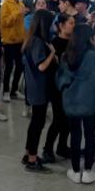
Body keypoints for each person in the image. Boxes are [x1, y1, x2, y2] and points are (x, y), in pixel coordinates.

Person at [57, 24, 95, 184]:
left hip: (72, 102)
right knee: (90, 136)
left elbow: (60, 79)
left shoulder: (66, 55)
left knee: (75, 135)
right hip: (90, 102)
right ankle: (88, 171)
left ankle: (75, 170)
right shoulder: (94, 56)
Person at [22, 10, 57, 173]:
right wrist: (52, 54)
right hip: (39, 88)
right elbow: (41, 66)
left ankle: (29, 153)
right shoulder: (37, 42)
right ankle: (32, 160)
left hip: (35, 86)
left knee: (35, 122)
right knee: (38, 123)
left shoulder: (32, 39)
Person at [40, 13, 74, 163]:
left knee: (67, 119)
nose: (73, 25)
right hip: (57, 87)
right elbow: (49, 69)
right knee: (58, 119)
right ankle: (47, 149)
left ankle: (62, 146)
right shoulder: (53, 44)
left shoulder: (74, 43)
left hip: (71, 87)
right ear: (61, 25)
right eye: (70, 23)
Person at [0, 0, 28, 101]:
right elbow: (5, 22)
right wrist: (17, 13)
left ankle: (14, 90)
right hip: (9, 41)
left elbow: (21, 24)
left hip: (19, 41)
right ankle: (6, 91)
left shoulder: (21, 5)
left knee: (20, 66)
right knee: (9, 67)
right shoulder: (6, 4)